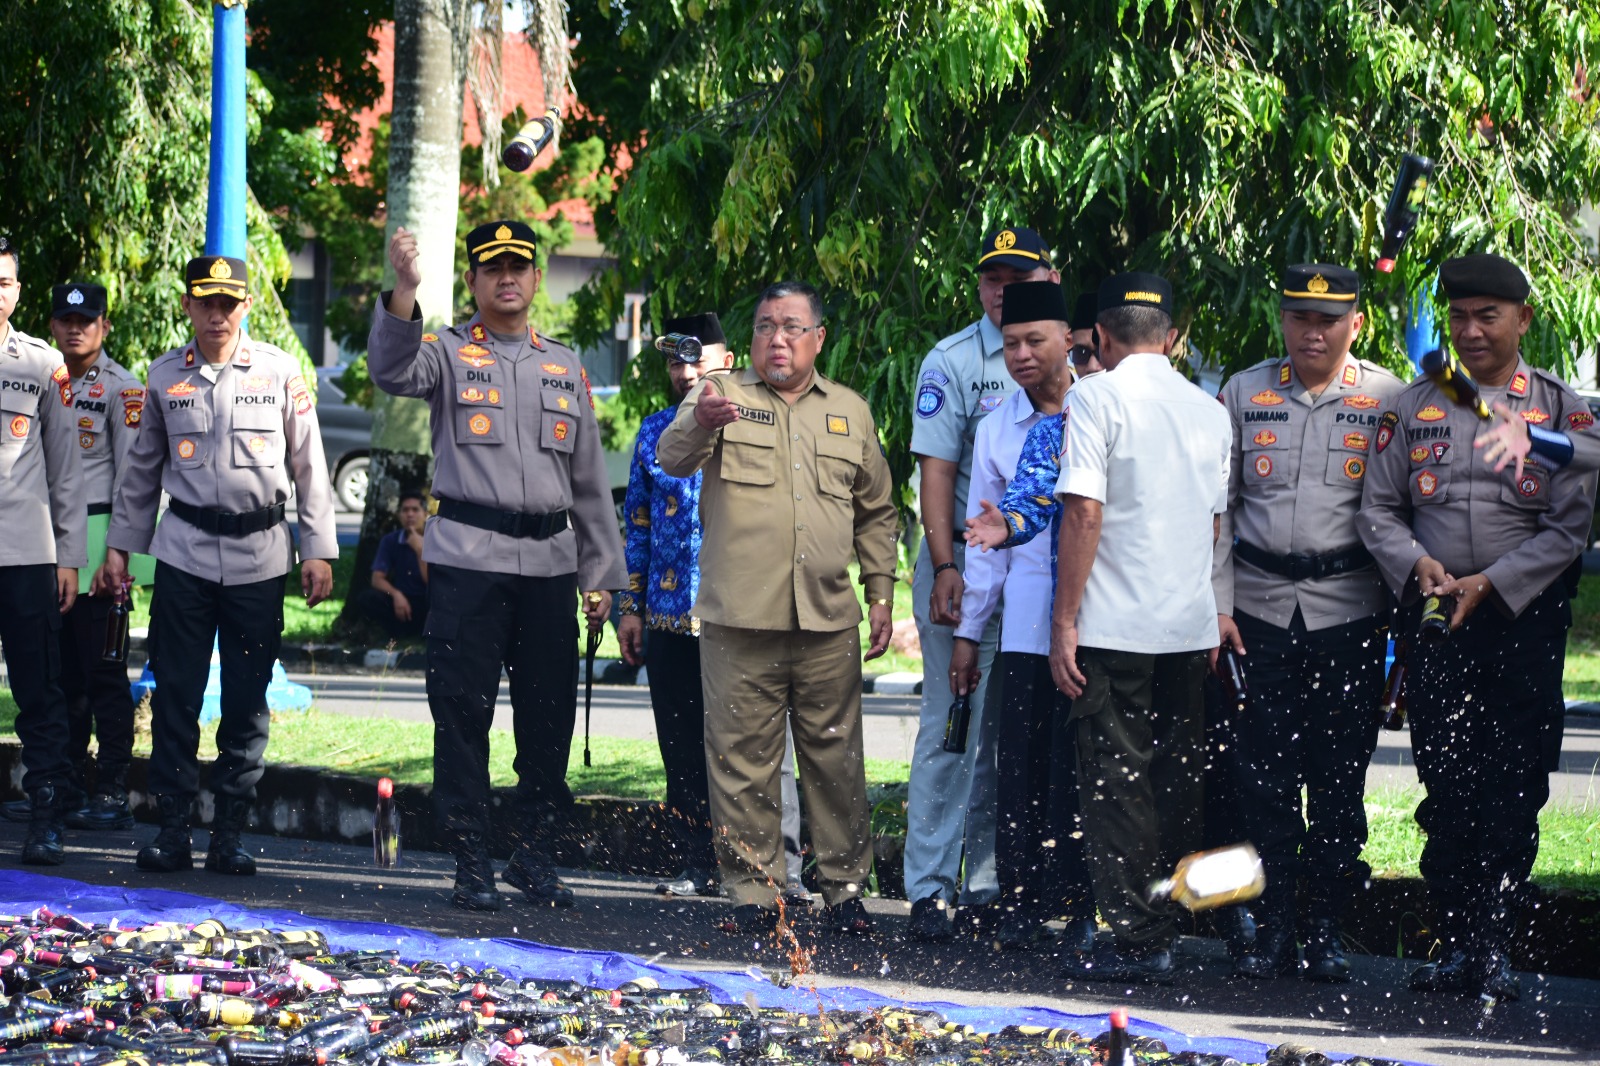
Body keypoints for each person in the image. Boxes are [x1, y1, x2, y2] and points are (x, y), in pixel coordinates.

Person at [1358, 253, 1595, 1003]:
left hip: (1519, 622)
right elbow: (1379, 511)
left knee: (1512, 784)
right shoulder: (1414, 402)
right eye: (1459, 316)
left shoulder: (1561, 412)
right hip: (1437, 619)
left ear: (1523, 319)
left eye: (1488, 315)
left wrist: (1493, 581)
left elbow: (1570, 528)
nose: (1471, 330)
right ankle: (1457, 941)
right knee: (1446, 783)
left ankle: (1496, 946)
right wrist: (1422, 566)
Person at [368, 221, 626, 912]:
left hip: (548, 564)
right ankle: (470, 858)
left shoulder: (564, 365)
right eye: (492, 268)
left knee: (548, 718)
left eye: (519, 266)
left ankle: (534, 853)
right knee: (462, 714)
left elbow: (590, 482)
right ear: (476, 282)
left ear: (537, 278)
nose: (507, 277)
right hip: (468, 564)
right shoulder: (448, 352)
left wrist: (600, 575)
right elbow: (391, 371)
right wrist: (406, 288)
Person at [657, 281, 898, 936]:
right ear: (751, 340)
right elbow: (671, 458)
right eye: (765, 326)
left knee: (836, 761)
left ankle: (845, 891)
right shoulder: (720, 396)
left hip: (826, 619)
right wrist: (698, 421)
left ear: (819, 338)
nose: (778, 338)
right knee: (741, 762)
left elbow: (877, 510)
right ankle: (756, 894)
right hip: (740, 620)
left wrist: (881, 591)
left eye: (793, 326)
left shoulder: (850, 410)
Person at [103, 254, 338, 875]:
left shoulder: (280, 373)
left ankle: (229, 833)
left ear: (246, 306)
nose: (216, 314)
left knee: (246, 697)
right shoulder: (164, 377)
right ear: (188, 305)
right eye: (205, 302)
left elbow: (310, 465)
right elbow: (140, 474)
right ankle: (174, 829)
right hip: (183, 553)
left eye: (228, 303)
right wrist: (118, 550)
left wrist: (317, 549)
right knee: (176, 694)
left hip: (260, 556)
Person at [1211, 264, 1405, 981]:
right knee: (1261, 781)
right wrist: (1220, 605)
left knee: (1336, 780)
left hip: (1349, 613)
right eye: (1300, 317)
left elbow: (1399, 516)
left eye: (1328, 320)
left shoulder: (1388, 396)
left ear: (1355, 322)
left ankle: (1324, 930)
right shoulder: (1242, 390)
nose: (1312, 332)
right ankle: (1273, 929)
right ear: (1283, 320)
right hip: (1259, 611)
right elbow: (1220, 511)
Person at [1051, 273, 1232, 983]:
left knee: (1115, 779)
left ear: (1100, 337)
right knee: (1173, 778)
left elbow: (1083, 513)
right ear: (1171, 337)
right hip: (1186, 626)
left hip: (1116, 625)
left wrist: (1064, 620)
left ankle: (1137, 937)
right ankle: (1165, 922)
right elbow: (1214, 524)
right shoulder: (1208, 410)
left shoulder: (1095, 395)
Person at [904, 226, 1058, 942]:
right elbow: (937, 474)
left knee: (1011, 738)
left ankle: (989, 883)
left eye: (1018, 276)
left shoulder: (1066, 356)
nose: (1003, 290)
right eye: (993, 278)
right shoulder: (954, 360)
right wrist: (944, 567)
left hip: (1035, 584)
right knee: (952, 728)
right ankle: (930, 887)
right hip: (963, 571)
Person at [950, 280, 1095, 953]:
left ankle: (1088, 907)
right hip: (1031, 623)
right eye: (1009, 343)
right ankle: (1020, 904)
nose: (1021, 355)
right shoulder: (997, 427)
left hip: (1105, 621)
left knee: (1086, 769)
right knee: (1021, 772)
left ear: (1070, 339)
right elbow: (985, 538)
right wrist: (971, 633)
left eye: (1035, 340)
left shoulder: (1104, 408)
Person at [0, 236, 87, 865]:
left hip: (25, 555)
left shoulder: (40, 364)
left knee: (40, 692)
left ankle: (46, 816)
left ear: (18, 292)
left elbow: (66, 472)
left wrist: (69, 557)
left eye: (4, 282)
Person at [51, 283, 146, 830]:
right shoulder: (43, 379)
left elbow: (134, 481)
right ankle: (61, 787)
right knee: (57, 676)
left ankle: (110, 791)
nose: (76, 327)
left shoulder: (122, 389)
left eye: (87, 319)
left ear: (105, 326)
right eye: (66, 318)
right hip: (47, 545)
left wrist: (118, 553)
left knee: (105, 675)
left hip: (101, 547)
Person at [357, 490, 430, 640]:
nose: (410, 515)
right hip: (402, 598)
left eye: (415, 510)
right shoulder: (391, 540)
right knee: (368, 598)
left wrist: (419, 551)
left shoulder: (434, 539)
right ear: (399, 515)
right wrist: (396, 594)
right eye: (405, 510)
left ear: (425, 514)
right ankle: (393, 635)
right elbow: (377, 578)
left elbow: (431, 582)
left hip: (427, 600)